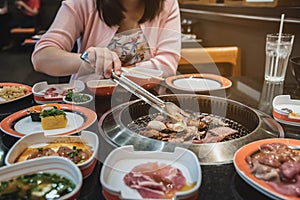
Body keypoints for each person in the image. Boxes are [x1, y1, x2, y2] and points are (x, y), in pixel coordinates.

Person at [31, 0, 181, 82]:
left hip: (145, 105)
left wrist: (116, 71)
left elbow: (167, 65)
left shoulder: (166, 4)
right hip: (89, 104)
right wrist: (89, 61)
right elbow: (42, 57)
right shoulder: (82, 3)